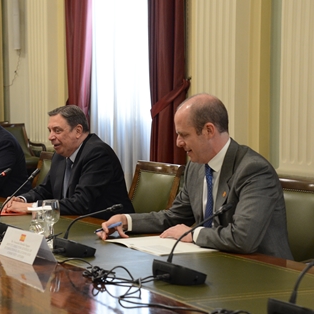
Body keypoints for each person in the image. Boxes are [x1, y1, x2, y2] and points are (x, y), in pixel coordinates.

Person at [97, 93, 293, 260]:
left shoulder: (253, 170)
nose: (178, 143)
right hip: (215, 262)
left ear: (209, 130)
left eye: (184, 135)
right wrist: (126, 220)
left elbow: (244, 238)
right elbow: (174, 217)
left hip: (262, 270)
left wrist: (193, 234)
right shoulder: (196, 168)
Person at [4, 105, 134, 220]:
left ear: (78, 131)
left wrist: (30, 207)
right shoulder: (61, 154)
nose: (51, 137)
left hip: (105, 228)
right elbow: (45, 190)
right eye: (50, 130)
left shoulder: (98, 154)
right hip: (73, 223)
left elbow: (81, 203)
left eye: (57, 130)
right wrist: (22, 199)